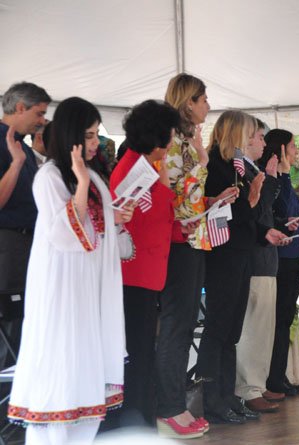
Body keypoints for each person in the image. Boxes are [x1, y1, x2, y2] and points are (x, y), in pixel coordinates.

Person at [7, 97, 133, 444]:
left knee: (85, 371)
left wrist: (115, 217)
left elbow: (97, 235)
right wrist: (79, 185)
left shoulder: (93, 176)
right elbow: (65, 235)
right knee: (61, 370)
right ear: (71, 136)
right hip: (61, 288)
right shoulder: (49, 177)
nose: (96, 143)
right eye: (89, 136)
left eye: (96, 135)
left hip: (89, 288)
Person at [197, 110, 286, 425]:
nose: (254, 139)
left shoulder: (239, 168)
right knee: (218, 328)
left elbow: (249, 215)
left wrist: (264, 232)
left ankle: (227, 395)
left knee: (232, 330)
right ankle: (212, 400)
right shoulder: (216, 167)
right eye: (251, 133)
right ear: (237, 134)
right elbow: (226, 213)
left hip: (242, 252)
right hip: (222, 256)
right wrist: (251, 199)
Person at [108, 100, 191, 434]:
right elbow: (133, 219)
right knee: (136, 354)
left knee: (143, 351)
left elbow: (158, 215)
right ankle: (134, 423)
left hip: (148, 273)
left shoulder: (146, 165)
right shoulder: (131, 169)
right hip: (133, 274)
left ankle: (142, 420)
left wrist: (178, 227)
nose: (171, 142)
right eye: (168, 135)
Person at [153, 73, 224, 438]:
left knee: (183, 327)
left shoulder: (186, 140)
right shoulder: (171, 139)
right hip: (178, 244)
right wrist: (201, 159)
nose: (208, 105)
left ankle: (174, 403)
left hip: (194, 240)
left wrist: (212, 201)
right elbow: (173, 193)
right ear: (188, 102)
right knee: (176, 327)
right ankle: (169, 407)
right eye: (203, 98)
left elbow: (189, 195)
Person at [262, 129, 299, 395]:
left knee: (286, 318)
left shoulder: (287, 180)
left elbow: (297, 214)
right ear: (283, 150)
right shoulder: (275, 179)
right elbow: (284, 209)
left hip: (295, 256)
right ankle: (273, 378)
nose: (297, 150)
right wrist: (285, 174)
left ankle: (280, 374)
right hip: (282, 258)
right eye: (293, 145)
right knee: (279, 320)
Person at [234, 119, 284, 412]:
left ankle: (257, 384)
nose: (264, 145)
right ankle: (248, 387)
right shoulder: (243, 170)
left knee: (264, 327)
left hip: (265, 258)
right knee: (252, 328)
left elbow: (265, 212)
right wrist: (270, 179)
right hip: (253, 259)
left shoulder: (253, 170)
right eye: (260, 138)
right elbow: (254, 211)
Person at [0, 82, 50, 368]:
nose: (42, 121)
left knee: (24, 323)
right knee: (9, 322)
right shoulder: (9, 146)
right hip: (8, 244)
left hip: (29, 241)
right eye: (39, 113)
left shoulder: (25, 147)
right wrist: (16, 164)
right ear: (20, 107)